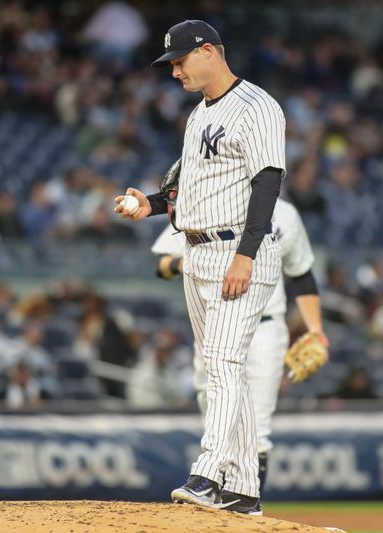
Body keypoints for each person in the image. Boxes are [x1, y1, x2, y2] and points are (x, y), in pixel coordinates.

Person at [115, 20, 285, 515]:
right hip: (197, 249)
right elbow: (183, 186)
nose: (174, 72)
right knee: (222, 366)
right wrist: (147, 203)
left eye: (180, 61)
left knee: (224, 364)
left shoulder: (257, 107)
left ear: (208, 51)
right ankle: (245, 488)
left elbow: (267, 183)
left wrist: (246, 255)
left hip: (238, 248)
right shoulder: (198, 116)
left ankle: (208, 475)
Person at [151, 198, 327, 491]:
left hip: (266, 328)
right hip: (214, 325)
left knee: (257, 431)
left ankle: (243, 510)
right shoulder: (207, 200)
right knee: (215, 422)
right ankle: (217, 504)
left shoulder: (284, 213)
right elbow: (162, 266)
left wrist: (316, 330)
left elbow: (302, 275)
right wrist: (188, 260)